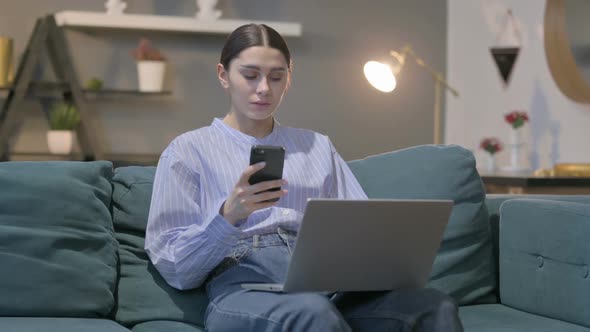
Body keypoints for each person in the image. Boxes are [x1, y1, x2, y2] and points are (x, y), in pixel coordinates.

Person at [145, 23, 463, 332]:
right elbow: (175, 267)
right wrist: (228, 217)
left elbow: (362, 228)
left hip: (325, 286)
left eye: (276, 77)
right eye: (250, 75)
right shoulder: (187, 151)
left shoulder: (316, 146)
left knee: (432, 305)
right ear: (223, 75)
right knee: (313, 314)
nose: (264, 89)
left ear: (289, 80)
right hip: (244, 287)